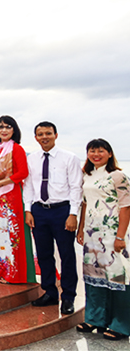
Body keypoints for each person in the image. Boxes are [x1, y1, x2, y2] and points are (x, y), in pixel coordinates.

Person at [23, 121, 82, 315]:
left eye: (48, 133)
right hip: (39, 210)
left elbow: (75, 187)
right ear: (35, 137)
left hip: (62, 211)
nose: (44, 137)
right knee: (43, 253)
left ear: (56, 135)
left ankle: (68, 297)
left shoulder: (69, 158)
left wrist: (73, 214)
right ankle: (49, 292)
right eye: (40, 134)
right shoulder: (32, 159)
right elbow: (29, 186)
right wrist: (28, 210)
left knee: (66, 255)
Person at [76, 139, 130, 340]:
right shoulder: (86, 175)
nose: (96, 154)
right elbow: (84, 204)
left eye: (100, 150)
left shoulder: (117, 176)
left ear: (109, 153)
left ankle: (121, 325)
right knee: (94, 276)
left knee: (117, 277)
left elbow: (126, 207)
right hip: (92, 234)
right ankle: (95, 319)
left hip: (113, 233)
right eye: (92, 150)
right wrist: (80, 229)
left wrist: (120, 236)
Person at [0, 116, 35, 284]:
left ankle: (15, 274)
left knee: (13, 233)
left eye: (8, 127)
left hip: (12, 195)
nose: (4, 130)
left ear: (14, 130)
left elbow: (22, 173)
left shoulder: (17, 149)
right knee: (0, 233)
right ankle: (2, 270)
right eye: (1, 127)